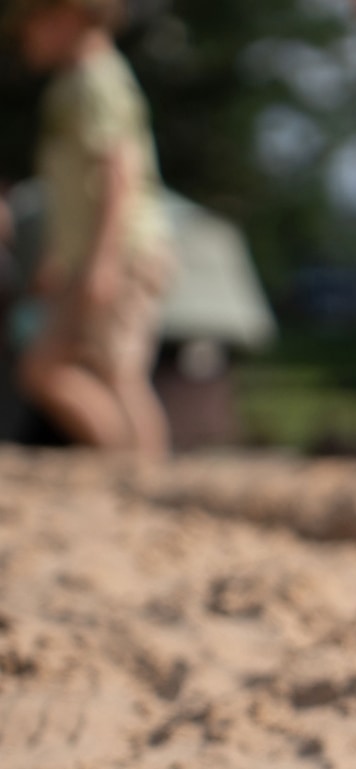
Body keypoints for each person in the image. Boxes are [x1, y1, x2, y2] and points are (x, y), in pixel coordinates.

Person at [7, 0, 173, 459]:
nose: (25, 40)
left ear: (65, 18)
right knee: (42, 366)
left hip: (123, 249)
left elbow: (119, 175)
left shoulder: (95, 80)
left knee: (120, 371)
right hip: (86, 256)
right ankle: (122, 458)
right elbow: (72, 190)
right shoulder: (72, 84)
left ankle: (149, 475)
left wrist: (104, 261)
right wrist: (58, 258)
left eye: (32, 27)